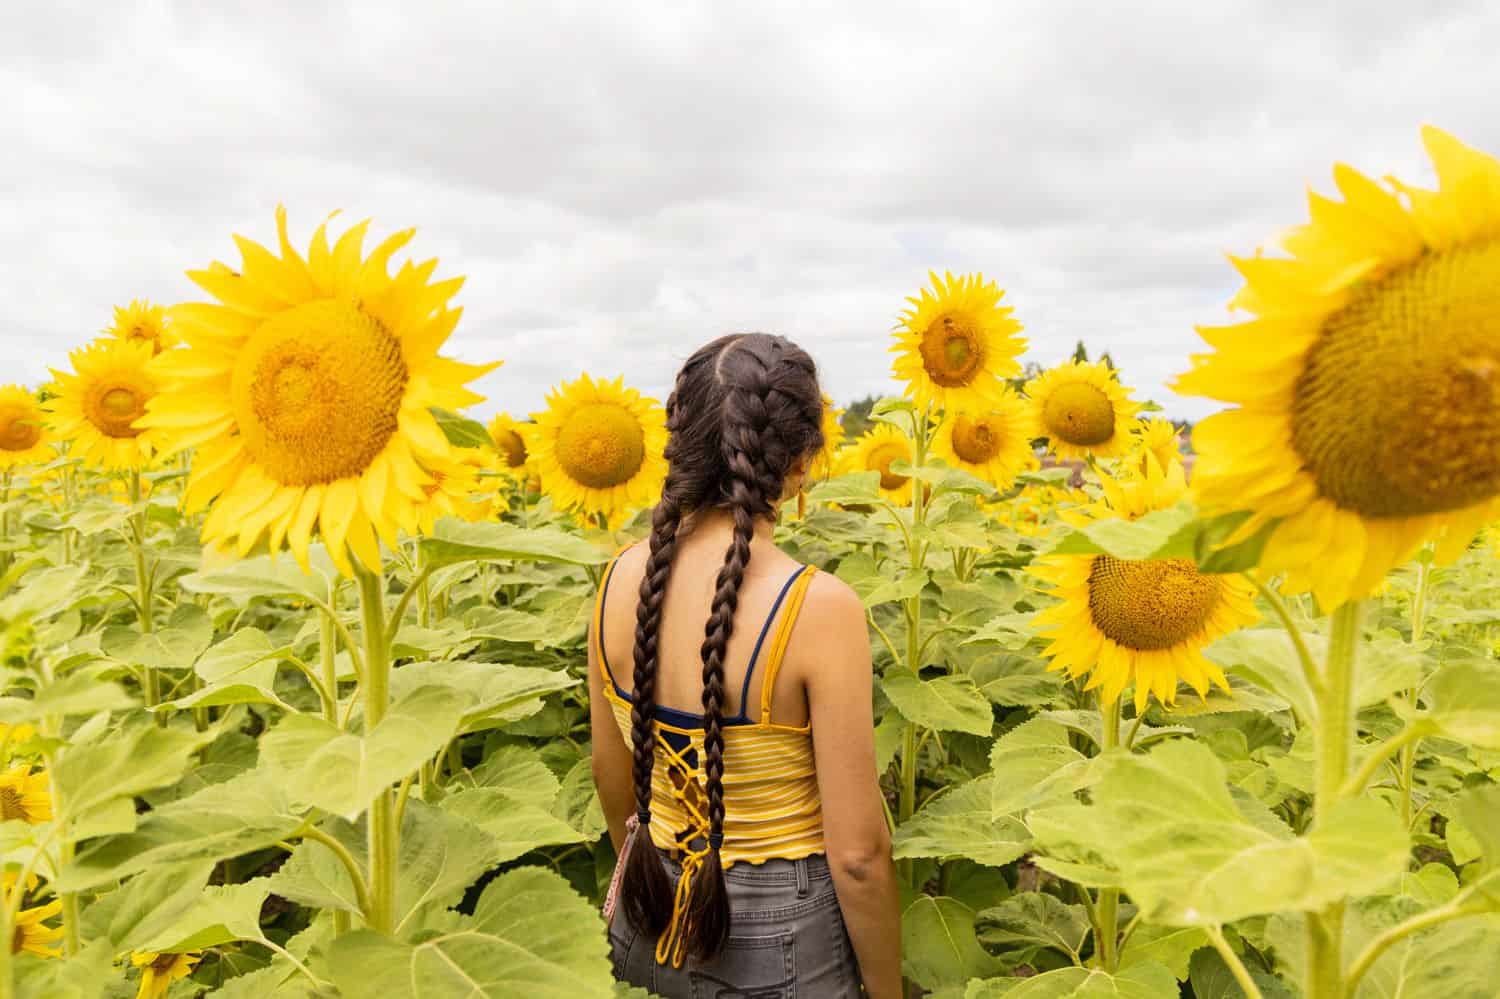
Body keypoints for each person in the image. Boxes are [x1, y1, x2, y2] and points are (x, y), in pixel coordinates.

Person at [588, 333, 901, 998]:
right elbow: (859, 857)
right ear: (798, 465)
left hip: (645, 915)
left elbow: (611, 775)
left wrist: (655, 872)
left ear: (679, 442)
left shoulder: (618, 579)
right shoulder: (816, 607)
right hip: (780, 940)